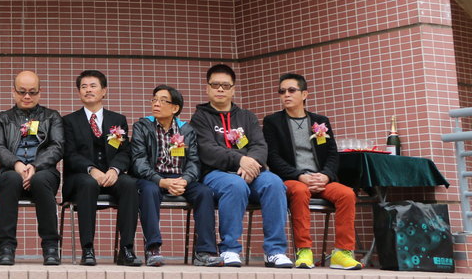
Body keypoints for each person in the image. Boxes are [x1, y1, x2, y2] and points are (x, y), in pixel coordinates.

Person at [190, 64, 292, 269]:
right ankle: (229, 249)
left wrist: (249, 163)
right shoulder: (200, 117)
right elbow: (207, 149)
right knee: (234, 185)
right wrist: (240, 160)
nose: (220, 89)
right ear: (207, 89)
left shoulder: (247, 117)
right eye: (215, 85)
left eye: (225, 85)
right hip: (216, 173)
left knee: (274, 183)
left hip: (251, 172)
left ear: (233, 89)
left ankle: (275, 251)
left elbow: (259, 146)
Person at [262, 73, 362, 270]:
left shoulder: (320, 121)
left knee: (347, 194)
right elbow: (272, 158)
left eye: (292, 90)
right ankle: (304, 250)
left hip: (320, 178)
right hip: (292, 179)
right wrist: (300, 176)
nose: (286, 95)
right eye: (282, 91)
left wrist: (325, 175)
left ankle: (342, 252)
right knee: (300, 191)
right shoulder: (273, 122)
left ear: (304, 94)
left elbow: (332, 154)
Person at [130, 84, 223, 268]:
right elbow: (139, 161)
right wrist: (161, 181)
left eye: (162, 100)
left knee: (204, 192)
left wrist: (185, 180)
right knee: (149, 191)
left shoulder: (186, 130)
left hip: (180, 177)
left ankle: (205, 252)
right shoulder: (142, 126)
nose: (156, 104)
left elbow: (194, 162)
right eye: (154, 99)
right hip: (152, 178)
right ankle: (153, 249)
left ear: (175, 108)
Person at [62, 70, 139, 266]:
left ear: (104, 91)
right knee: (88, 184)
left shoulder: (117, 120)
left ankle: (126, 249)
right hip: (81, 177)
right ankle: (87, 249)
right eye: (83, 87)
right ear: (79, 92)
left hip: (111, 175)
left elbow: (125, 151)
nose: (88, 90)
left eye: (93, 86)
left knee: (130, 184)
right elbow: (70, 154)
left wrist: (115, 170)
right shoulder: (69, 121)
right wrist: (91, 169)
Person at [0, 70, 64, 266]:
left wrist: (35, 166)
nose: (27, 96)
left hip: (44, 171)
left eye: (32, 92)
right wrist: (17, 164)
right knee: (10, 179)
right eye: (22, 92)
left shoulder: (52, 116)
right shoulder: (1, 118)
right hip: (11, 170)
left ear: (40, 92)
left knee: (40, 180)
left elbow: (57, 147)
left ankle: (50, 247)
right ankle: (6, 247)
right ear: (13, 92)